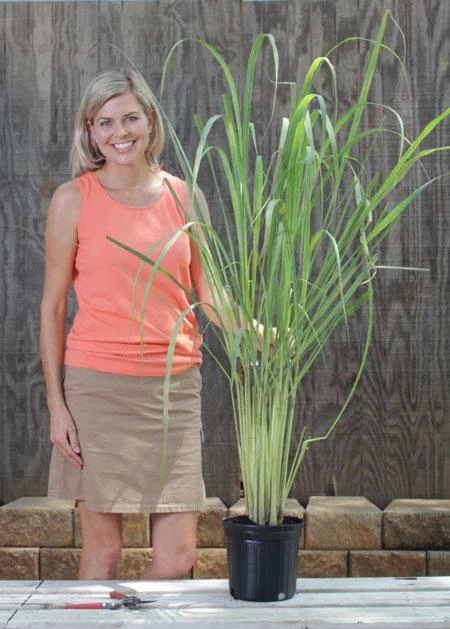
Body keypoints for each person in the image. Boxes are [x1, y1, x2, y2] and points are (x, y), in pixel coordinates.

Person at [40, 67, 210, 580]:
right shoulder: (73, 200)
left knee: (179, 557)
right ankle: (98, 617)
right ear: (90, 131)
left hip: (174, 391)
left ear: (150, 120)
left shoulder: (185, 197)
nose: (120, 133)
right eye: (106, 122)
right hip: (98, 389)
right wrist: (56, 405)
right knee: (104, 551)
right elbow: (52, 307)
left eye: (130, 118)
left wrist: (255, 331)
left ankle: (126, 617)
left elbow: (210, 294)